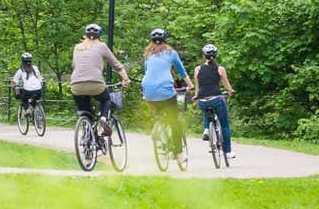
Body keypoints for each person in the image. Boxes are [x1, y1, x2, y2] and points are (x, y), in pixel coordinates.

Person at [141, 28, 193, 165]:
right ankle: (179, 153)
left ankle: (157, 123)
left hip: (148, 90)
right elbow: (182, 71)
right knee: (174, 121)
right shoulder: (171, 53)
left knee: (156, 106)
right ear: (165, 40)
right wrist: (191, 85)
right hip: (165, 90)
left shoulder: (147, 55)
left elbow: (147, 72)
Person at [70, 24, 131, 136]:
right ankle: (103, 118)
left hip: (76, 85)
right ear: (100, 36)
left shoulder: (77, 47)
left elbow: (75, 66)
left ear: (85, 35)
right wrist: (125, 79)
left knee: (86, 113)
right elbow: (116, 65)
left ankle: (87, 135)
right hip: (95, 84)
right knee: (106, 100)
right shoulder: (101, 46)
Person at [194, 43, 236, 158]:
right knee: (225, 125)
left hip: (202, 100)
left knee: (206, 108)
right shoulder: (220, 69)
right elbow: (227, 86)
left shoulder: (197, 69)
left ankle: (207, 129)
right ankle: (227, 152)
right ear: (215, 56)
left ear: (204, 56)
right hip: (216, 99)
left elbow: (198, 88)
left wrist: (196, 96)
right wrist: (230, 91)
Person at [10, 52, 44, 119]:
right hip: (38, 89)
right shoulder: (35, 68)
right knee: (34, 100)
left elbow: (14, 81)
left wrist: (12, 86)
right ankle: (37, 118)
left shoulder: (21, 70)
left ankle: (28, 110)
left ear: (22, 61)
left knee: (23, 100)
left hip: (28, 90)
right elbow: (40, 79)